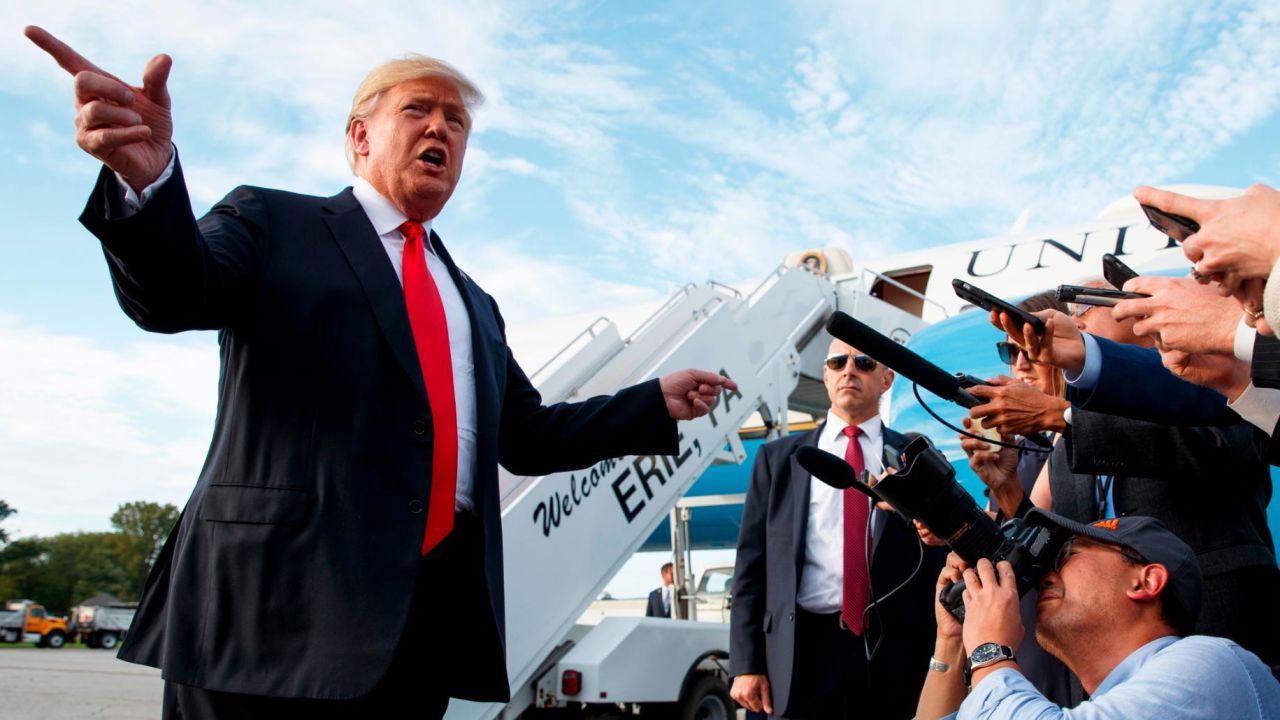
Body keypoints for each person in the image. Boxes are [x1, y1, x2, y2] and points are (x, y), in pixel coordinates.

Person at [26, 26, 739, 719]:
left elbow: (527, 436)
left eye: (456, 121)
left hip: (417, 623)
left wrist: (654, 402)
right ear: (360, 136)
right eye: (417, 109)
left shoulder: (473, 302)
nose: (441, 129)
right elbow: (177, 294)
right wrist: (148, 184)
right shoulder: (273, 221)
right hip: (269, 612)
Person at [729, 337, 947, 719]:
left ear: (886, 379)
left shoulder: (916, 459)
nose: (849, 370)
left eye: (863, 362)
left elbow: (940, 555)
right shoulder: (778, 460)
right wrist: (746, 663)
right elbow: (751, 566)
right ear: (826, 377)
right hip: (797, 652)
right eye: (837, 362)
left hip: (894, 654)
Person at [915, 510, 1280, 719]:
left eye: (1068, 555)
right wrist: (952, 639)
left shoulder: (1212, 663)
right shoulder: (1097, 707)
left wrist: (990, 651)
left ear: (1146, 581)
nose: (1046, 573)